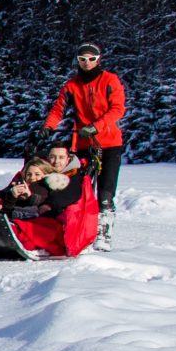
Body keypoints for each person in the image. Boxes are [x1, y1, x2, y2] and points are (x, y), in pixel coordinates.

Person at [47, 43, 124, 247]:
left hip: (109, 144)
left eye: (91, 59)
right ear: (78, 61)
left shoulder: (110, 80)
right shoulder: (72, 85)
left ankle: (103, 233)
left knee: (105, 192)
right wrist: (48, 127)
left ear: (98, 59)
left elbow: (117, 109)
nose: (87, 63)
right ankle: (80, 230)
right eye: (83, 59)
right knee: (80, 190)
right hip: (83, 145)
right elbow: (58, 108)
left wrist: (96, 127)